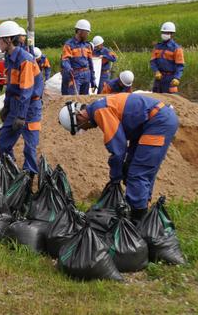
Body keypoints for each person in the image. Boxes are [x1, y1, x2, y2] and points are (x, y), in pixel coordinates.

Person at [58, 93, 179, 221]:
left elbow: (118, 149)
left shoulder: (100, 111)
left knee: (138, 173)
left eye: (80, 126)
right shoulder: (99, 107)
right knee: (133, 169)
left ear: (79, 115)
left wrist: (115, 177)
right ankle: (141, 211)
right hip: (151, 123)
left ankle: (137, 222)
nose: (85, 129)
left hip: (158, 122)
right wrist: (123, 168)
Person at [0, 21, 42, 177]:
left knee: (30, 147)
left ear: (8, 40)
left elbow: (26, 90)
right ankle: (11, 173)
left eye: (0, 39)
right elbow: (10, 87)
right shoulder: (9, 58)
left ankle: (28, 180)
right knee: (2, 142)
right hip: (16, 104)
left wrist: (21, 115)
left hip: (30, 107)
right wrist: (7, 106)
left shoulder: (25, 60)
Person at [61, 19, 96, 95]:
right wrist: (69, 69)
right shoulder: (69, 45)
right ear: (80, 31)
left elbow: (91, 63)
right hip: (75, 75)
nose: (88, 34)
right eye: (87, 32)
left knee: (84, 99)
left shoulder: (87, 45)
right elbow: (65, 60)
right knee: (74, 99)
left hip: (87, 74)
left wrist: (93, 79)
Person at [150, 22, 184, 94]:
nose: (164, 34)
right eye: (163, 32)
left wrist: (177, 78)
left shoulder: (176, 48)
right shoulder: (157, 47)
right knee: (156, 99)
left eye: (166, 33)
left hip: (170, 79)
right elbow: (153, 61)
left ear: (172, 34)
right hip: (159, 78)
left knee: (171, 101)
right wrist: (156, 71)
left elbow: (180, 66)